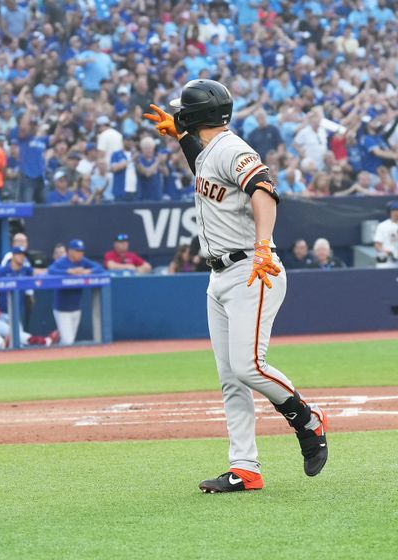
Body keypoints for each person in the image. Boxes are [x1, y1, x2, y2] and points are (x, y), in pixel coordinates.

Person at [144, 80, 328, 493]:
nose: (178, 116)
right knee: (231, 377)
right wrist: (181, 139)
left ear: (194, 115)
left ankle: (306, 418)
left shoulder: (234, 148)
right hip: (220, 275)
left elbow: (263, 191)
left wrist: (263, 246)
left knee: (249, 367)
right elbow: (209, 172)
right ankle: (245, 468)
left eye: (182, 113)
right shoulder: (212, 151)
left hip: (251, 269)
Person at [0, 246, 58, 347]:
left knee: (18, 341)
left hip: (14, 314)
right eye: (19, 254)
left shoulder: (25, 270)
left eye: (23, 255)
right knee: (16, 337)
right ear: (13, 256)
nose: (22, 257)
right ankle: (44, 341)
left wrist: (59, 269)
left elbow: (41, 272)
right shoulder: (1, 271)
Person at [47, 239, 104, 345]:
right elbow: (50, 270)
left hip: (76, 308)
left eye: (82, 251)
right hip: (62, 309)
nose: (80, 253)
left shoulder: (82, 261)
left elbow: (99, 267)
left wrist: (89, 271)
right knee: (68, 341)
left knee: (69, 340)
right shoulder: (62, 261)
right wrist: (68, 272)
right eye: (78, 251)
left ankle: (58, 355)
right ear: (70, 251)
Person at [373, 200, 398, 268]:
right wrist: (385, 252)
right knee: (383, 275)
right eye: (394, 210)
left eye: (397, 210)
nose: (396, 213)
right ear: (390, 212)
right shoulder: (382, 225)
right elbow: (377, 244)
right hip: (386, 261)